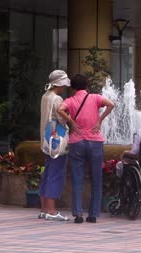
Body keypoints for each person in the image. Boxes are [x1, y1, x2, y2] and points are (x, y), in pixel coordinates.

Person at [57, 74, 114, 224]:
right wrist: (100, 120)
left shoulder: (70, 100)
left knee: (77, 178)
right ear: (86, 86)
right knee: (96, 178)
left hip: (77, 142)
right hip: (95, 142)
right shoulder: (95, 98)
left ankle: (78, 214)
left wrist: (71, 122)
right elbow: (111, 104)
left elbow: (60, 109)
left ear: (73, 88)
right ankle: (93, 214)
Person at [39, 70, 71, 221]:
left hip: (46, 139)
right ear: (60, 84)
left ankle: (44, 209)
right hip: (56, 140)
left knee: (47, 173)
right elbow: (62, 118)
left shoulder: (45, 96)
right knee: (55, 173)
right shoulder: (57, 99)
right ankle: (51, 210)